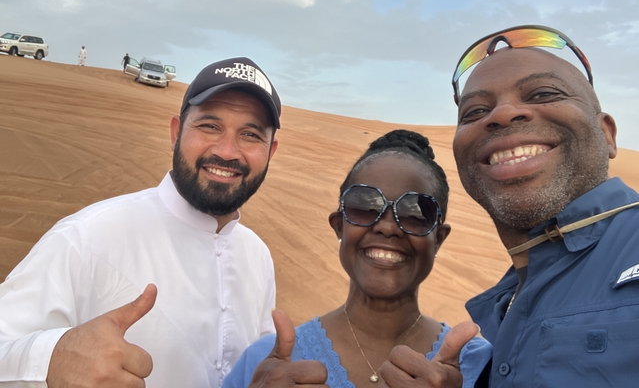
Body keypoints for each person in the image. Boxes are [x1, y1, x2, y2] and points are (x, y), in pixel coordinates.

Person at [0, 57, 282, 387]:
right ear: (176, 132)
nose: (227, 150)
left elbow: (259, 361)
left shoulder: (258, 256)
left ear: (271, 151)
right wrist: (51, 360)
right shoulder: (87, 237)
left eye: (250, 134)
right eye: (209, 126)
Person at [223, 130, 492, 388]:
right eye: (365, 206)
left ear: (438, 239)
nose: (387, 227)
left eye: (416, 214)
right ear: (339, 226)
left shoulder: (484, 366)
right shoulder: (263, 365)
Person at [449, 25, 639, 386]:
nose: (502, 114)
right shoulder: (508, 300)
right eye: (474, 111)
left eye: (543, 93)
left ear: (607, 134)